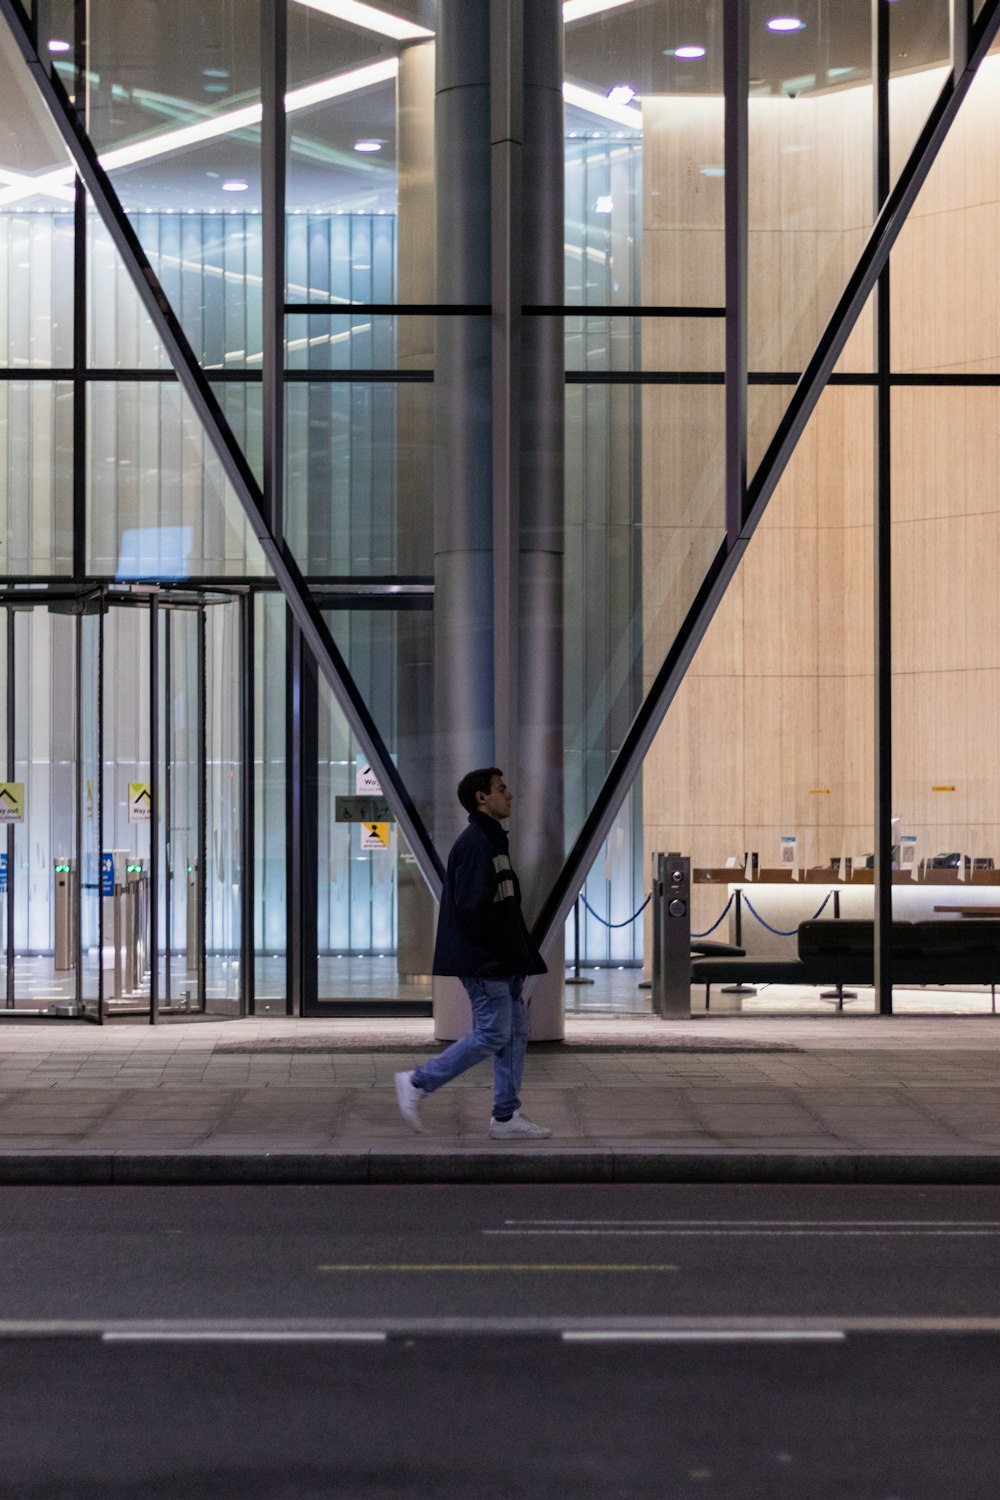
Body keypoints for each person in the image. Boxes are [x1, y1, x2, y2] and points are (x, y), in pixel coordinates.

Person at [395, 768, 552, 1139]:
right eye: (501, 789)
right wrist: (501, 952)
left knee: (512, 1035)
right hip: (487, 962)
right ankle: (418, 1082)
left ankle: (505, 1117)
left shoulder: (491, 840)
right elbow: (473, 909)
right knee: (493, 1033)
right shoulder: (478, 843)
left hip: (501, 960)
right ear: (482, 798)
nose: (509, 794)